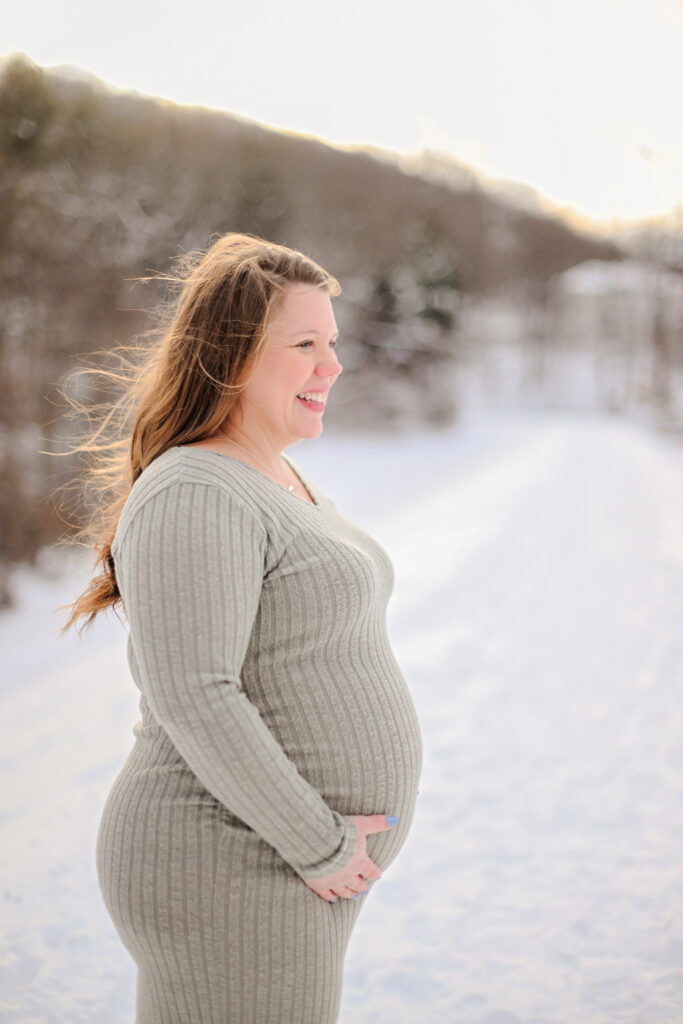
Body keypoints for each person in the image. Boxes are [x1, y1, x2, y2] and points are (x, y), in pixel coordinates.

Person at [60, 232, 423, 1023]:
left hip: (271, 857)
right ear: (231, 354)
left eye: (332, 343)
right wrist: (318, 842)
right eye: (305, 345)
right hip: (227, 858)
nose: (332, 366)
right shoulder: (195, 489)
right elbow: (194, 692)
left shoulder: (272, 476)